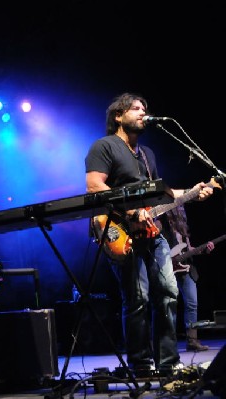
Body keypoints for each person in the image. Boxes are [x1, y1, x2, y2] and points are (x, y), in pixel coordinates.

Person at [84, 93, 214, 375]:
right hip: (121, 232)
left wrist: (193, 193)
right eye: (136, 108)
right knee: (137, 299)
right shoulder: (104, 147)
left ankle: (168, 363)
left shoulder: (147, 155)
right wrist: (130, 212)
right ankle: (141, 364)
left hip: (154, 234)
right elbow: (95, 187)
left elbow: (160, 197)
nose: (143, 112)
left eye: (145, 108)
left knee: (168, 292)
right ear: (118, 116)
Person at [160, 205, 214, 351]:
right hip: (167, 266)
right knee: (168, 304)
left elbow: (188, 249)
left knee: (192, 303)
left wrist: (202, 250)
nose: (180, 211)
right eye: (178, 209)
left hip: (186, 267)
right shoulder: (161, 221)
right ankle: (168, 343)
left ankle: (192, 341)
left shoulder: (182, 229)